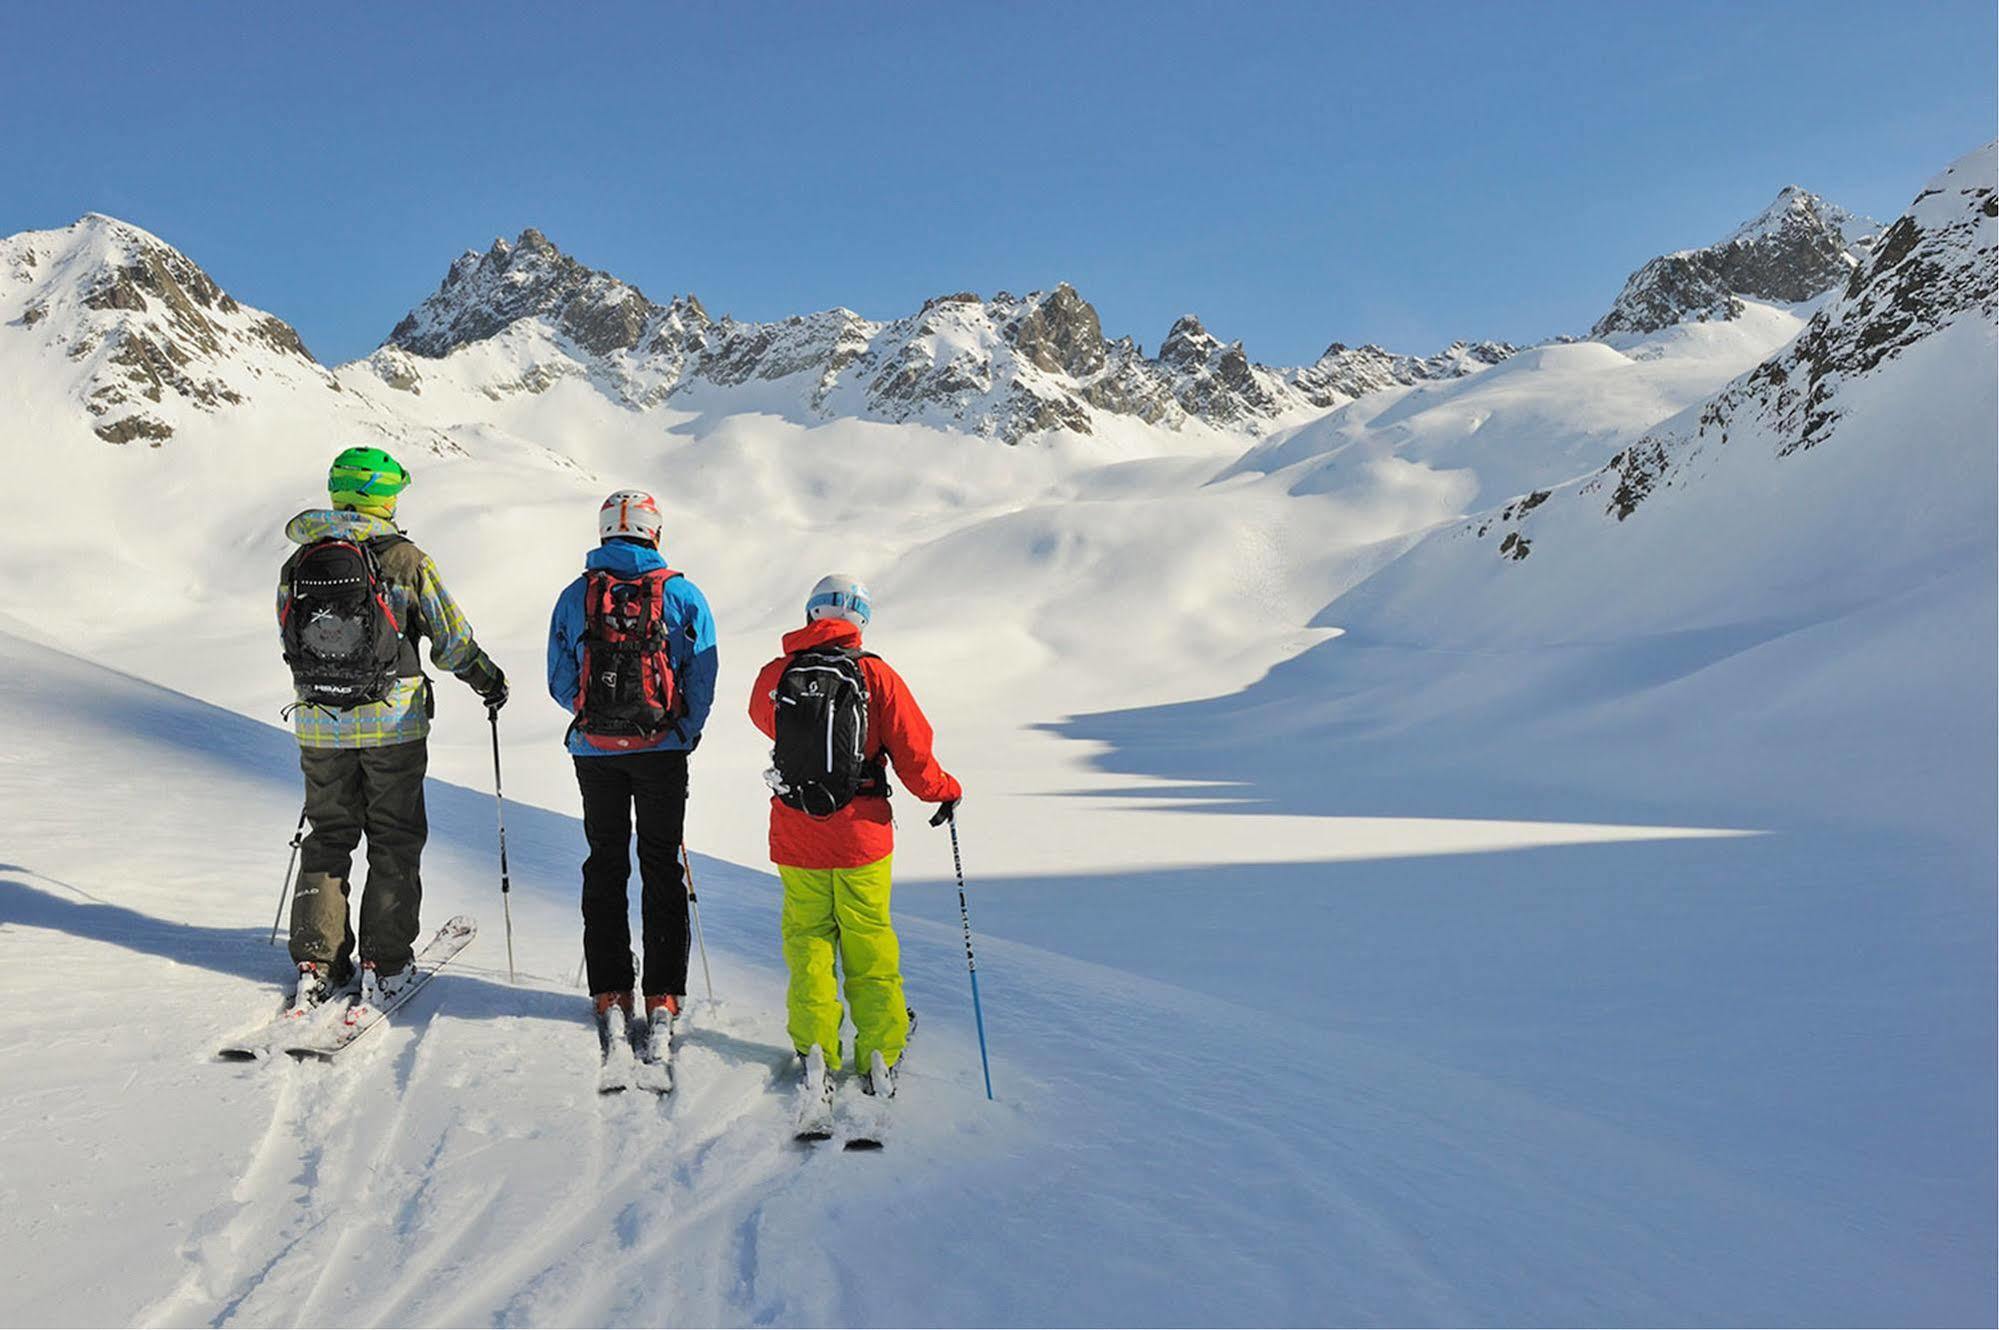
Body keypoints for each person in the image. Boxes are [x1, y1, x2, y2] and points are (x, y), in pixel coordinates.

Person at [278, 446, 507, 1014]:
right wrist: (488, 679)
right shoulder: (405, 559)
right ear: (384, 496)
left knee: (328, 836)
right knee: (394, 838)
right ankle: (387, 964)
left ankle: (315, 963)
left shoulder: (300, 562)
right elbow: (451, 640)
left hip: (318, 723)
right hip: (392, 724)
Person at [749, 574, 962, 1096]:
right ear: (860, 622)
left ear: (810, 614)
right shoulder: (876, 676)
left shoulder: (777, 674)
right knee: (868, 942)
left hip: (798, 833)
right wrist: (945, 790)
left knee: (809, 942)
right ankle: (880, 1050)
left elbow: (763, 719)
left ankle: (815, 1045)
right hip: (861, 836)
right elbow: (914, 753)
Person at [546, 490, 718, 1048]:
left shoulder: (577, 596)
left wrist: (590, 715)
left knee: (605, 863)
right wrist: (680, 731)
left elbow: (559, 676)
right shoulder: (683, 595)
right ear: (655, 533)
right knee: (662, 865)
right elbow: (701, 674)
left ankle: (611, 990)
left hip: (595, 755)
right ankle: (663, 994)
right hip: (661, 751)